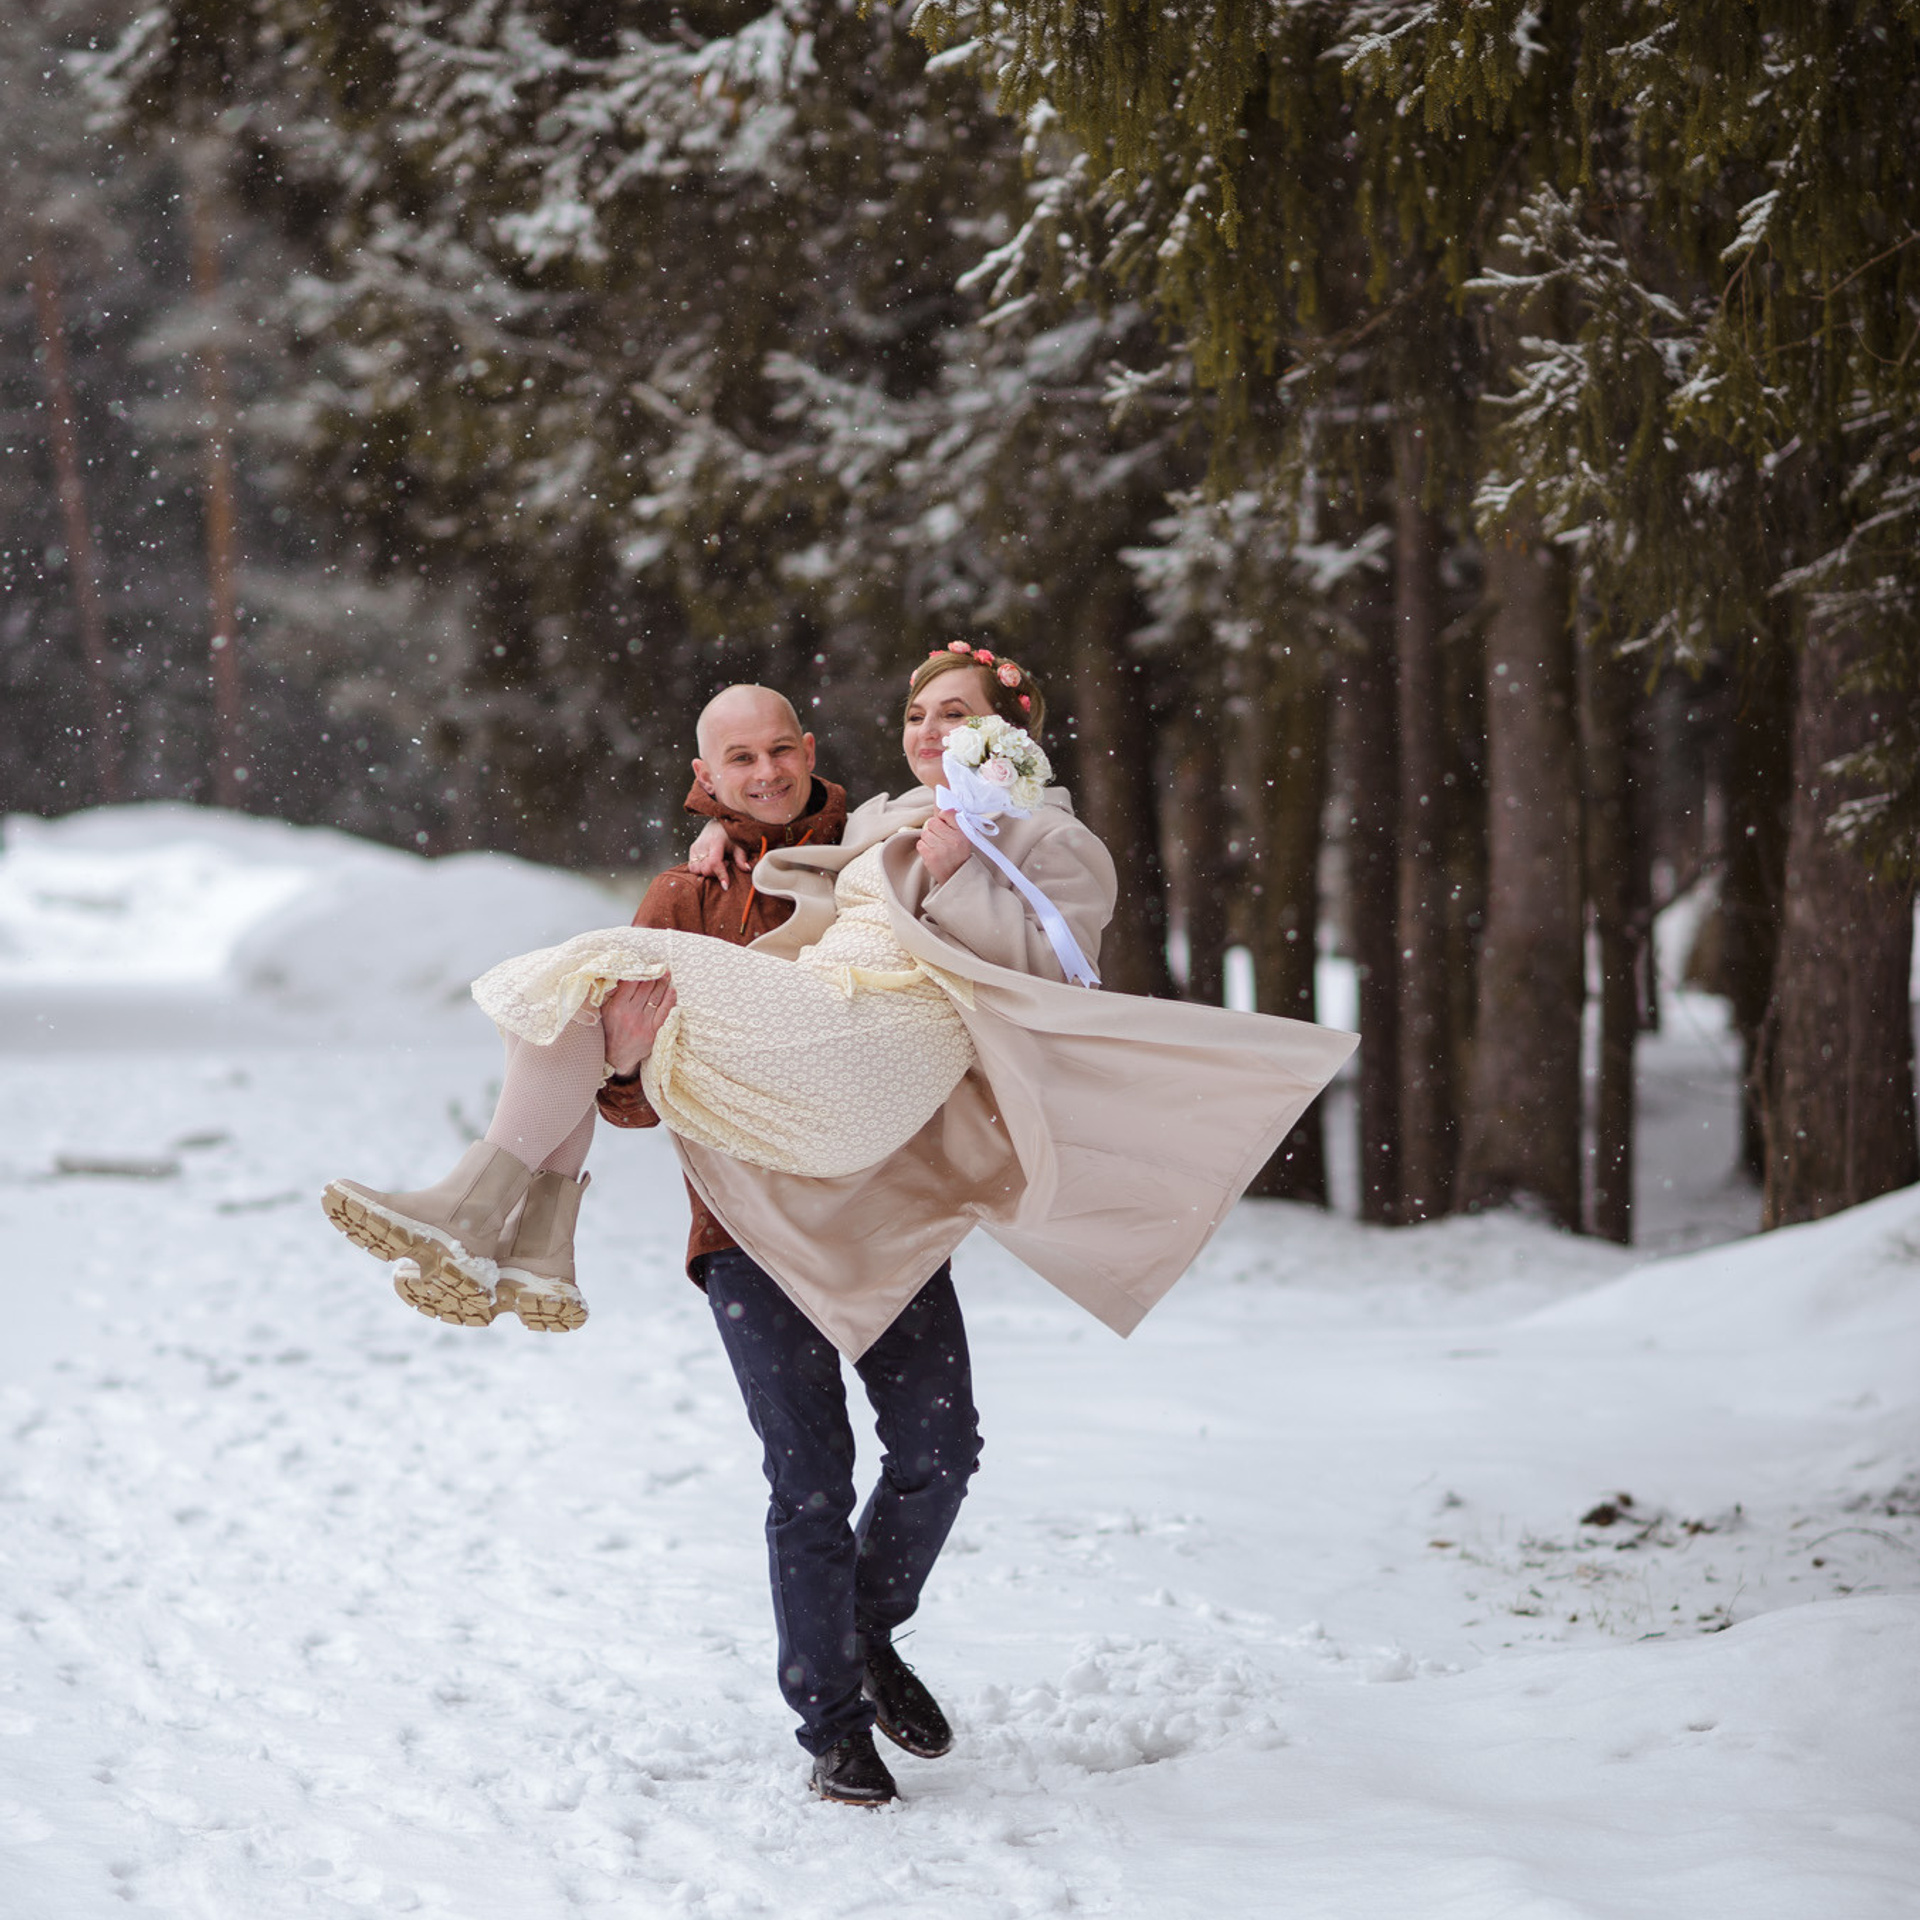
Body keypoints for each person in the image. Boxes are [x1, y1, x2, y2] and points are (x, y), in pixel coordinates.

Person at [322, 648, 1356, 1803]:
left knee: (940, 1450)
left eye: (780, 751)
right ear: (703, 774)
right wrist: (654, 1041)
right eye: (738, 761)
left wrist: (934, 851)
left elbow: (974, 915)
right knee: (806, 1478)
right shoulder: (689, 889)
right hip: (747, 1224)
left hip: (880, 1204)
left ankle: (861, 1627)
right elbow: (616, 1098)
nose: (763, 773)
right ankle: (831, 1726)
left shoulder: (880, 826)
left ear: (811, 754)